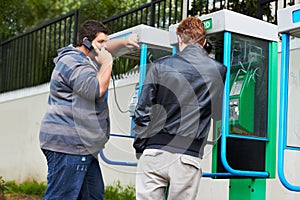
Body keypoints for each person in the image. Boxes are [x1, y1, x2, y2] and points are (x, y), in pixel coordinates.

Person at [39, 20, 139, 200]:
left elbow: (104, 49)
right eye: (100, 43)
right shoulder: (73, 61)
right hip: (69, 146)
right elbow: (96, 89)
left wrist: (124, 42)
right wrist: (108, 63)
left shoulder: (84, 60)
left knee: (93, 195)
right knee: (61, 197)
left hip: (81, 147)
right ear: (86, 41)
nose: (104, 48)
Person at [133, 16, 227, 200]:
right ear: (204, 42)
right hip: (188, 155)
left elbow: (141, 111)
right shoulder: (219, 70)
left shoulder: (160, 66)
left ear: (179, 39)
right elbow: (216, 114)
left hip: (154, 150)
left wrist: (141, 146)